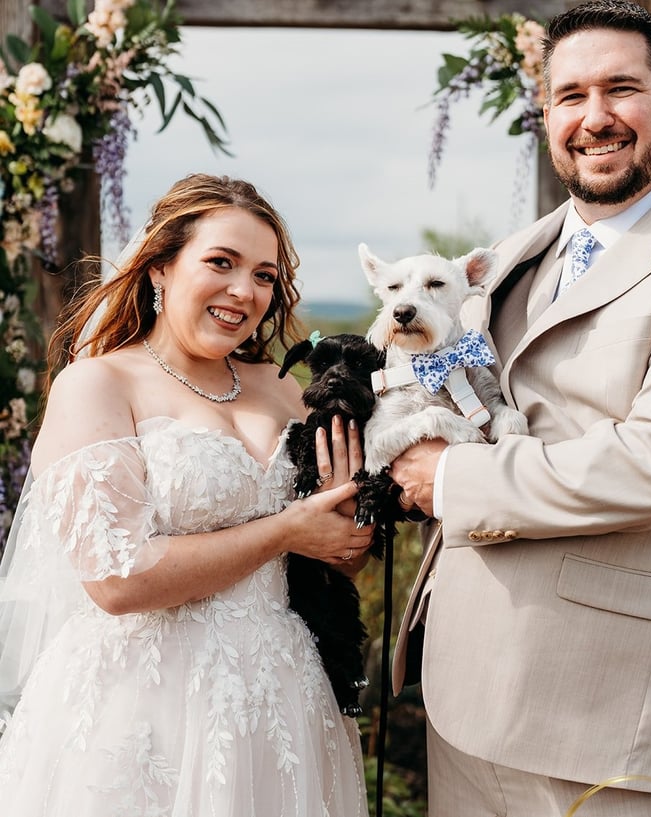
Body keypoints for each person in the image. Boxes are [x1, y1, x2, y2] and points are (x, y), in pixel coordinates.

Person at [389, 2, 651, 816]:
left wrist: (448, 478)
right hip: (462, 697)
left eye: (620, 89)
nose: (594, 118)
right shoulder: (515, 251)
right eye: (570, 96)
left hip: (606, 712)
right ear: (547, 115)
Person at [0, 173, 373, 815]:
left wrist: (348, 526)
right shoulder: (98, 384)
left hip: (283, 695)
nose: (244, 291)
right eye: (221, 263)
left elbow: (339, 555)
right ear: (161, 268)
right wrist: (286, 531)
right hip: (142, 702)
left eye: (263, 275)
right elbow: (116, 581)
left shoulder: (286, 388)